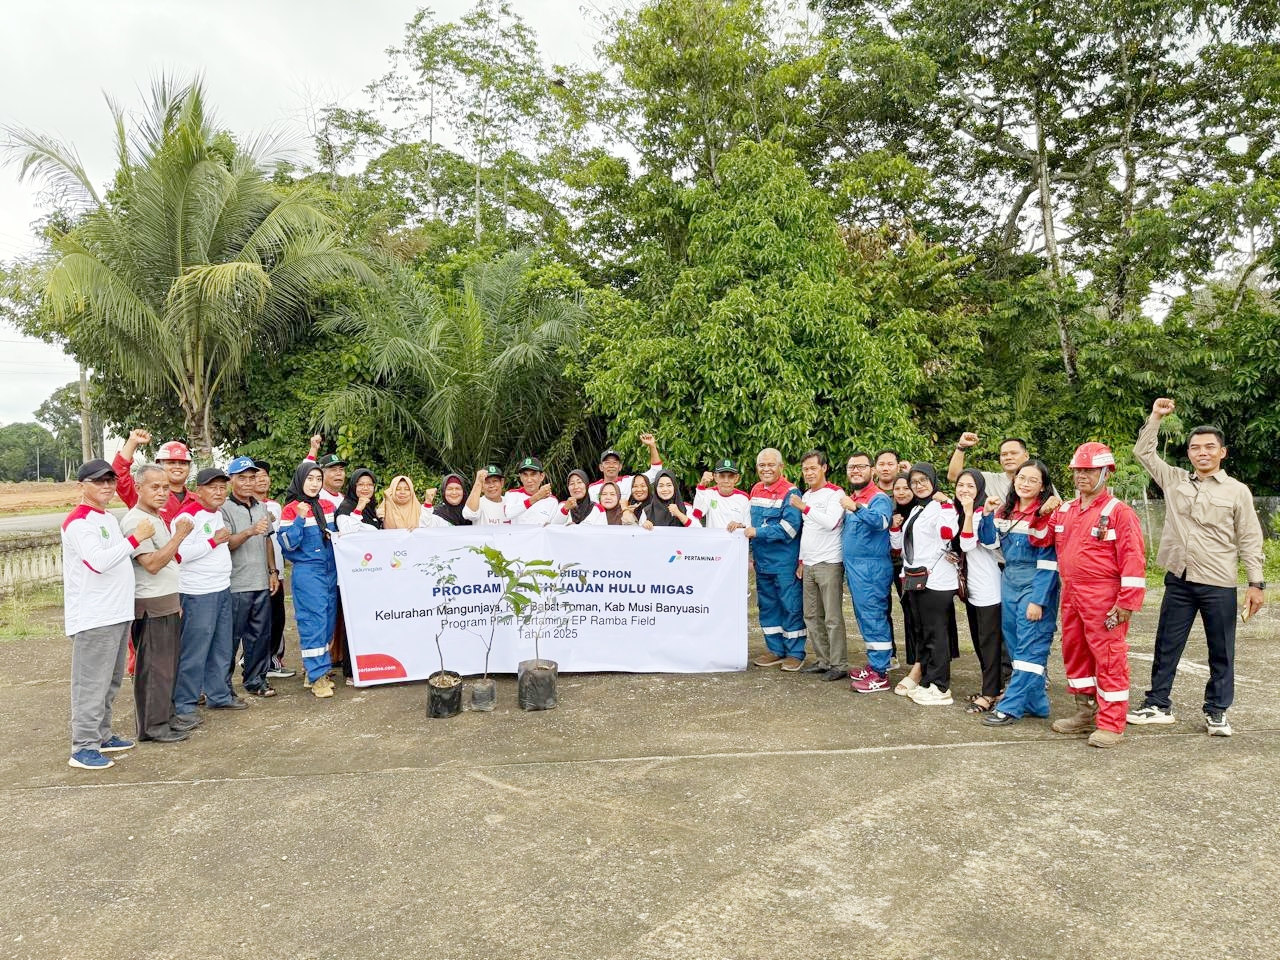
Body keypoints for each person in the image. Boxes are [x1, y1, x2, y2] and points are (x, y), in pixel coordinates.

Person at [1127, 399, 1265, 737]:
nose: (1201, 452)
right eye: (1195, 447)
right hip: (1179, 579)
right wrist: (1156, 417)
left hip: (1218, 582)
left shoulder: (1237, 492)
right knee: (1166, 645)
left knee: (1221, 650)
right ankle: (1158, 703)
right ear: (1188, 453)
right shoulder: (1174, 480)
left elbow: (1249, 537)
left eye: (1209, 447)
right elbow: (1144, 453)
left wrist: (1256, 583)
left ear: (1222, 452)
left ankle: (1217, 711)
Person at [1049, 442, 1147, 748]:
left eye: (1089, 470)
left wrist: (1128, 602)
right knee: (1075, 652)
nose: (1081, 475)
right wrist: (1040, 509)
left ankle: (1111, 722)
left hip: (1103, 598)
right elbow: (1039, 536)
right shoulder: (1065, 509)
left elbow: (1133, 559)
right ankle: (1085, 713)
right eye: (1078, 469)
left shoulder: (1119, 512)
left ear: (1106, 472)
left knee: (1108, 657)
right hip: (1072, 594)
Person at [62, 459, 155, 769]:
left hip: (116, 612)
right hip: (95, 615)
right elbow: (98, 562)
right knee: (91, 683)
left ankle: (102, 734)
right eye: (98, 481)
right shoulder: (78, 522)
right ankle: (83, 746)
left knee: (111, 680)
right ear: (82, 486)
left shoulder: (107, 518)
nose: (106, 486)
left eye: (110, 481)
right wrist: (135, 539)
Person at [980, 460, 1060, 727]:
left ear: (1043, 487)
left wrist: (1039, 600)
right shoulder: (1006, 510)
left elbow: (1050, 562)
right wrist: (988, 516)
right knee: (1015, 645)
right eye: (1021, 478)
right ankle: (1036, 704)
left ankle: (1010, 706)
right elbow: (990, 542)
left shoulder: (1048, 513)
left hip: (1036, 582)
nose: (1024, 484)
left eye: (1032, 480)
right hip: (1009, 580)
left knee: (1030, 646)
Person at [121, 464, 195, 743]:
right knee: (154, 669)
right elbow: (151, 564)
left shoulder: (155, 517)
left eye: (165, 487)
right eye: (155, 487)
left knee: (167, 667)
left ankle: (165, 718)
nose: (162, 492)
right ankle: (153, 727)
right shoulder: (136, 520)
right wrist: (179, 536)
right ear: (138, 488)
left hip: (165, 601)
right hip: (150, 604)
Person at [173, 466, 245, 724]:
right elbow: (179, 555)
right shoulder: (188, 516)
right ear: (198, 491)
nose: (218, 491)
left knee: (221, 646)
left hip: (221, 587)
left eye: (221, 487)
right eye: (212, 487)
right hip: (197, 593)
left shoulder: (215, 513)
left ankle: (218, 694)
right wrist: (213, 541)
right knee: (195, 649)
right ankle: (185, 704)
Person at [731, 448, 806, 670]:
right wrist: (741, 526)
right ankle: (775, 650)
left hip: (784, 563)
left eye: (771, 464)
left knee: (790, 606)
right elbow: (752, 522)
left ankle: (795, 653)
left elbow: (789, 529)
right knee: (768, 607)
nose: (766, 469)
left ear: (781, 467)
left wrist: (757, 532)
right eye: (762, 465)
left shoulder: (791, 493)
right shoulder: (755, 490)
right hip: (762, 563)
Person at [890, 464, 959, 705]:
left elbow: (948, 532)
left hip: (937, 580)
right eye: (915, 481)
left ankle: (941, 688)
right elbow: (903, 545)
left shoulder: (941, 505)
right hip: (916, 578)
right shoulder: (919, 508)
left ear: (933, 480)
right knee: (923, 633)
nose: (919, 485)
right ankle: (928, 681)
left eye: (923, 480)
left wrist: (947, 503)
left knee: (936, 634)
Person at [278, 462, 338, 699]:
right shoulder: (291, 509)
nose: (314, 484)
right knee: (313, 622)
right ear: (300, 480)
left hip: (330, 570)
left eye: (318, 479)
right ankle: (317, 676)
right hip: (308, 572)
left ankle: (312, 669)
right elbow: (288, 545)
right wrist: (300, 519)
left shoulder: (327, 506)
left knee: (327, 621)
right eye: (310, 479)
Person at [221, 456, 277, 699]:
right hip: (236, 584)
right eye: (241, 478)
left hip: (260, 582)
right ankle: (222, 686)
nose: (247, 483)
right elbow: (228, 543)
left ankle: (256, 680)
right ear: (231, 480)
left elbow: (267, 540)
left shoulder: (260, 506)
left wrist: (273, 572)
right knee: (229, 639)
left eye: (251, 477)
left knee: (259, 635)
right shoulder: (223, 508)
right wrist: (250, 531)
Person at [839, 451, 896, 692]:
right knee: (864, 617)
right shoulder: (856, 496)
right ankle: (875, 665)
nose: (855, 471)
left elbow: (882, 522)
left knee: (873, 617)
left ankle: (880, 673)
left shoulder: (877, 497)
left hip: (871, 569)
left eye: (861, 467)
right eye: (851, 467)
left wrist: (856, 508)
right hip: (855, 569)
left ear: (871, 470)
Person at [790, 451, 846, 680]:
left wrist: (804, 507)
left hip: (829, 562)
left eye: (813, 468)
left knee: (832, 617)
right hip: (810, 563)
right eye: (805, 469)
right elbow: (808, 531)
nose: (809, 473)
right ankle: (823, 660)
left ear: (824, 468)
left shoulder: (835, 493)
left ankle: (839, 664)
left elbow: (832, 523)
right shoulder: (807, 495)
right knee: (812, 616)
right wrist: (802, 560)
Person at [953, 469, 1005, 712]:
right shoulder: (962, 513)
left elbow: (968, 542)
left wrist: (972, 513)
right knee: (978, 641)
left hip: (989, 589)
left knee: (989, 643)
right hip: (972, 589)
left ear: (980, 490)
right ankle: (992, 688)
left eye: (971, 486)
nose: (964, 490)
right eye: (961, 485)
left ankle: (991, 693)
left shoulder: (985, 514)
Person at [254, 461, 295, 681]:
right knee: (259, 622)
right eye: (257, 475)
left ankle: (272, 661)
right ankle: (256, 662)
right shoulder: (244, 507)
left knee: (277, 619)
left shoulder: (276, 506)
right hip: (254, 575)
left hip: (275, 572)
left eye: (265, 475)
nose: (262, 479)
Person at [112, 428, 193, 523]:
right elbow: (118, 475)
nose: (178, 467)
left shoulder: (198, 501)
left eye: (183, 463)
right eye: (171, 462)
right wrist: (132, 442)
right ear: (159, 465)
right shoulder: (143, 495)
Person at [947, 433, 1031, 503]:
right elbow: (954, 476)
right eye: (1004, 454)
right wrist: (961, 447)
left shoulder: (1039, 480)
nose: (1008, 457)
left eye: (1014, 453)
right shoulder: (991, 480)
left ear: (1026, 455)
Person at [589, 434, 664, 502]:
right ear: (601, 467)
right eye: (607, 463)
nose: (611, 466)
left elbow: (655, 472)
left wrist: (652, 446)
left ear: (620, 467)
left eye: (615, 463)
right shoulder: (592, 489)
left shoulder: (628, 482)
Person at [692, 459, 752, 530]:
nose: (726, 480)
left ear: (736, 478)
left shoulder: (744, 498)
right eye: (722, 476)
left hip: (736, 540)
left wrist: (739, 525)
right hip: (714, 540)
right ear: (715, 477)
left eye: (730, 476)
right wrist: (701, 486)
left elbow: (749, 526)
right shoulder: (709, 493)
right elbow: (697, 514)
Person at [504, 457, 562, 526]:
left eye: (533, 474)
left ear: (542, 476)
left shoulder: (552, 501)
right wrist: (537, 497)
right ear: (520, 477)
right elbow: (509, 514)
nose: (529, 480)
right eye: (525, 475)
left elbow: (554, 526)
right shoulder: (512, 494)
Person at [335, 469, 383, 534]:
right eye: (360, 484)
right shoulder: (346, 508)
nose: (366, 488)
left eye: (370, 484)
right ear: (353, 486)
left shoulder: (370, 507)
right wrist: (358, 509)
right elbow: (345, 532)